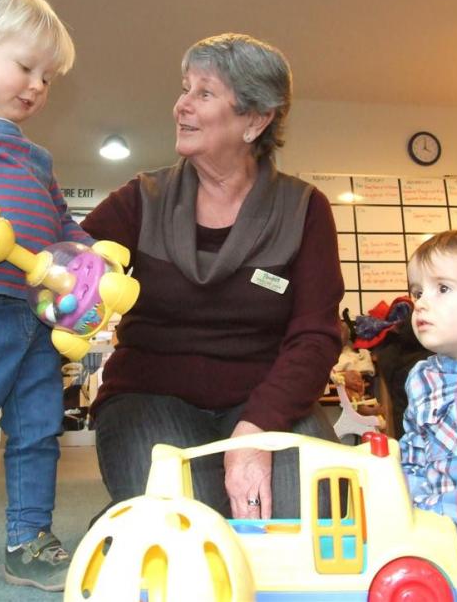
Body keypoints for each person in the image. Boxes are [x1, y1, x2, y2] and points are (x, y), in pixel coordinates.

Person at [82, 32, 344, 521]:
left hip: (265, 398)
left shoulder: (304, 209)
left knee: (306, 518)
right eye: (184, 89)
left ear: (255, 119)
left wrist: (255, 430)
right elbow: (70, 260)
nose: (181, 106)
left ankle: (132, 512)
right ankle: (135, 513)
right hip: (149, 395)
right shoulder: (141, 198)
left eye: (204, 93)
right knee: (191, 527)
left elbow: (315, 336)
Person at [0, 0, 94, 591]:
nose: (37, 86)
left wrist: (87, 255)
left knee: (38, 429)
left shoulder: (38, 158)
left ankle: (29, 538)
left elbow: (61, 224)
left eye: (47, 78)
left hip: (36, 319)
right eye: (25, 66)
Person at [400, 228, 457, 591]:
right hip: (449, 548)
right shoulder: (421, 380)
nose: (420, 303)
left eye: (443, 288)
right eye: (417, 292)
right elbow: (412, 461)